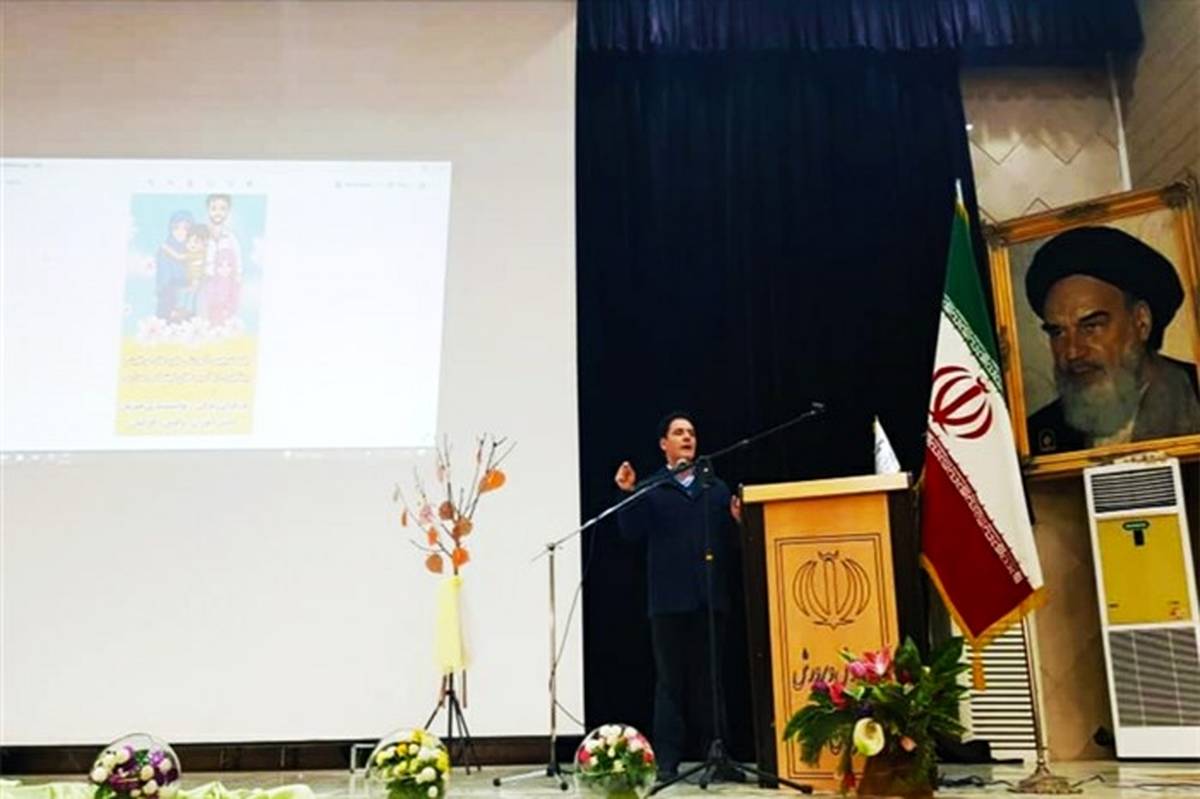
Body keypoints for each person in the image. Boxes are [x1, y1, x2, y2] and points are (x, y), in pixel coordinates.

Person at [613, 412, 743, 784]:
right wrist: (627, 494)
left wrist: (739, 522)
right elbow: (630, 532)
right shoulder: (652, 487)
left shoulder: (715, 488)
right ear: (663, 444)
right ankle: (667, 762)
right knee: (670, 683)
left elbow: (732, 545)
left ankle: (718, 755)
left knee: (711, 682)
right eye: (679, 433)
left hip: (709, 599)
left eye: (691, 433)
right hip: (668, 602)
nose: (687, 438)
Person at [1024, 226, 1200, 455]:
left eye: (1090, 327)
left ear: (1141, 322)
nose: (1072, 352)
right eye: (1058, 332)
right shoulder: (1037, 434)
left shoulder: (1193, 395)